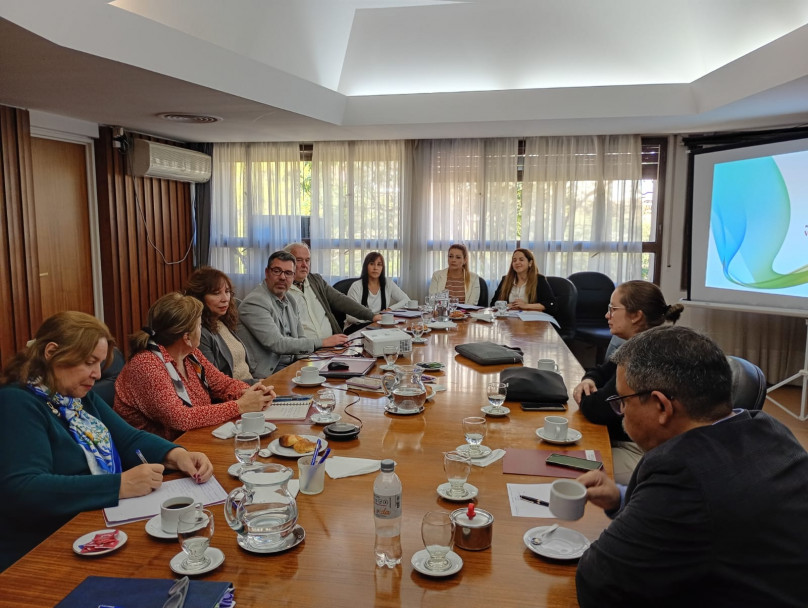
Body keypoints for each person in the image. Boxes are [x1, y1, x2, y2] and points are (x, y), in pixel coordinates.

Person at [575, 326, 808, 606]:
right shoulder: (768, 427)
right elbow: (715, 516)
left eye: (622, 402)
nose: (621, 414)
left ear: (661, 406)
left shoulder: (682, 471)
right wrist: (621, 498)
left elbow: (601, 583)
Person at [0, 311, 215, 572]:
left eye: (100, 364)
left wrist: (177, 455)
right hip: (43, 549)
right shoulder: (17, 403)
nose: (97, 374)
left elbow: (128, 439)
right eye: (90, 362)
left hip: (95, 524)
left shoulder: (75, 397)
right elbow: (25, 488)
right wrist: (119, 485)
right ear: (52, 352)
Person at [115, 292, 275, 440]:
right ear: (186, 337)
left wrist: (251, 394)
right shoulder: (146, 364)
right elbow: (180, 418)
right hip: (159, 457)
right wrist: (240, 406)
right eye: (199, 326)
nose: (202, 330)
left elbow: (223, 384)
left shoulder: (190, 354)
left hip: (197, 440)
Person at [572, 280, 683, 484]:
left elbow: (598, 409)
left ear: (636, 315)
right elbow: (601, 370)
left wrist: (584, 393)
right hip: (629, 439)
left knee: (567, 469)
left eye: (613, 309)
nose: (607, 315)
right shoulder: (640, 343)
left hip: (642, 453)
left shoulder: (645, 355)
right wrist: (589, 379)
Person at [239, 251, 349, 377]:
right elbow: (277, 344)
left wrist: (322, 361)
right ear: (267, 272)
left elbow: (301, 337)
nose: (282, 277)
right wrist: (323, 342)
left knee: (336, 380)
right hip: (268, 374)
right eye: (277, 271)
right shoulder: (255, 302)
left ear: (293, 276)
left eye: (288, 273)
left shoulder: (290, 299)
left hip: (293, 365)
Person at [283, 242, 380, 340]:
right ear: (286, 262)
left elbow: (340, 300)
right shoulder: (281, 290)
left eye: (307, 260)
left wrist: (372, 316)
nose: (304, 265)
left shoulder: (316, 281)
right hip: (305, 351)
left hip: (333, 346)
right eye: (299, 260)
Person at [185, 266, 259, 382]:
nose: (225, 299)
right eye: (216, 293)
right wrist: (256, 383)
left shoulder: (221, 321)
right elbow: (213, 381)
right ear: (200, 297)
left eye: (227, 291)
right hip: (236, 393)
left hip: (251, 386)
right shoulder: (200, 332)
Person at [345, 252, 410, 327]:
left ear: (382, 268)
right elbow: (350, 317)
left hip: (379, 324)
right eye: (372, 264)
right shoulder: (356, 286)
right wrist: (373, 318)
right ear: (366, 266)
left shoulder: (388, 283)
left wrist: (390, 309)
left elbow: (406, 300)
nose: (375, 268)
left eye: (379, 264)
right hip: (357, 326)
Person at [490, 248, 556, 314]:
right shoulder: (505, 280)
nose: (517, 262)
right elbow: (493, 304)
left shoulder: (539, 280)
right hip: (509, 319)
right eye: (514, 260)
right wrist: (506, 306)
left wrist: (526, 306)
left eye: (521, 260)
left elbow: (551, 304)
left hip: (533, 320)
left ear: (530, 263)